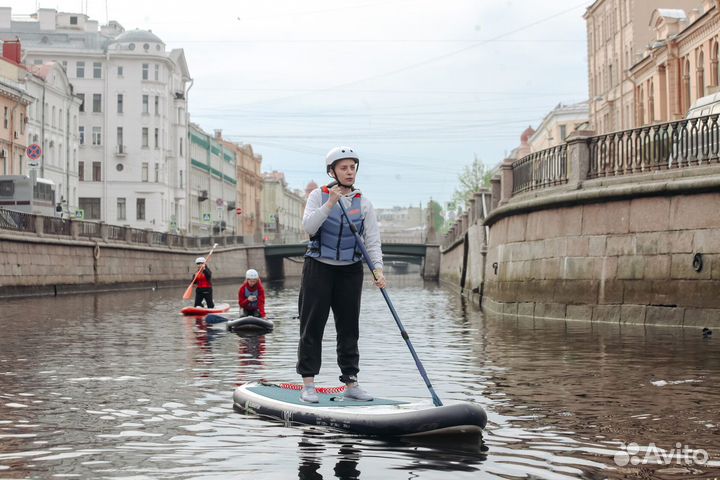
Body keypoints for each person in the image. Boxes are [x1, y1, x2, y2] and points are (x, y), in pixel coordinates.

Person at [296, 146, 386, 404]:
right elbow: (309, 227)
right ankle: (309, 384)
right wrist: (330, 203)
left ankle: (351, 383)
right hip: (318, 268)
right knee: (312, 325)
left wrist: (377, 269)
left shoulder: (364, 204)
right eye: (344, 168)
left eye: (352, 167)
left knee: (349, 328)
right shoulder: (317, 196)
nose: (349, 172)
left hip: (349, 271)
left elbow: (372, 241)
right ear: (332, 171)